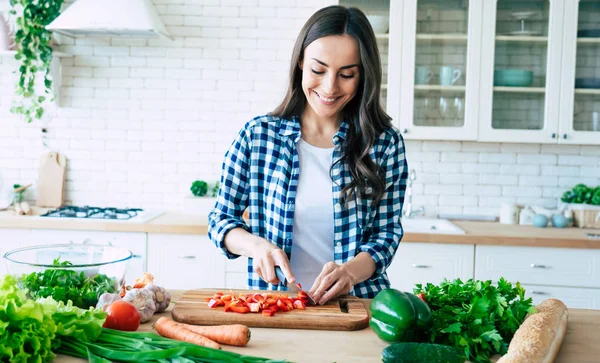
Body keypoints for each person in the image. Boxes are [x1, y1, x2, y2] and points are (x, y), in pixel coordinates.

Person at [208, 5, 408, 305]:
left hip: (356, 307)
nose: (329, 87)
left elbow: (386, 235)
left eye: (347, 74)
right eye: (318, 70)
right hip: (276, 307)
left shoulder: (384, 144)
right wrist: (255, 246)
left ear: (363, 75)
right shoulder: (257, 136)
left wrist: (350, 272)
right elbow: (221, 221)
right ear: (301, 61)